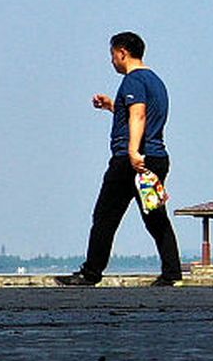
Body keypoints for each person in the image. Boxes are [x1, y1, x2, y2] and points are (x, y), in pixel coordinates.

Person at [56, 32, 183, 287]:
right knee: (155, 217)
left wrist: (134, 152)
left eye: (113, 55)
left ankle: (91, 273)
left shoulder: (133, 80)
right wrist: (113, 106)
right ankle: (172, 273)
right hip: (156, 158)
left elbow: (139, 115)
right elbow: (139, 114)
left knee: (105, 216)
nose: (112, 61)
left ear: (122, 52)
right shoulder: (155, 81)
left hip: (130, 162)